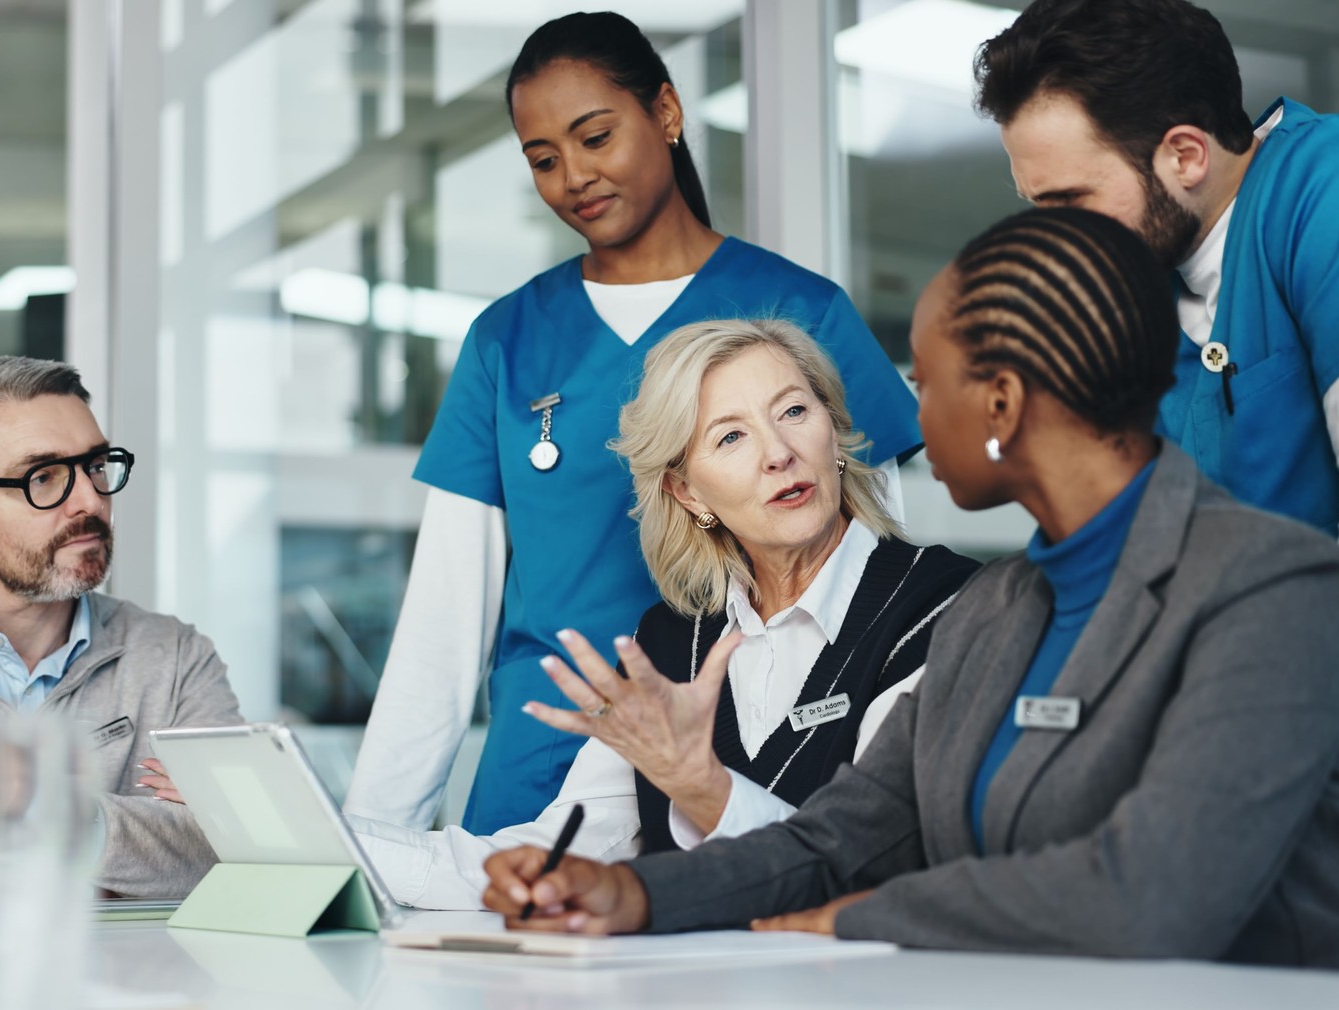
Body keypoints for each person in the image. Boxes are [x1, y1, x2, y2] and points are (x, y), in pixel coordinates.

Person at [480, 208, 1339, 969]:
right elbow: (840, 841)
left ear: (1001, 403)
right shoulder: (994, 608)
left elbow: (1156, 892)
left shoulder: (1273, 584)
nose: (906, 406)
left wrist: (867, 915)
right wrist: (626, 890)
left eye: (927, 373)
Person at [345, 11, 921, 837]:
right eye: (543, 159)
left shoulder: (802, 311)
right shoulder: (506, 340)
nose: (573, 175)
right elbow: (441, 624)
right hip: (543, 764)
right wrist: (367, 840)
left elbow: (877, 584)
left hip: (742, 759)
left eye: (595, 136)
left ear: (668, 113)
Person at [974, 0, 1339, 857]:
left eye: (1070, 199)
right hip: (1269, 795)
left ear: (1185, 154)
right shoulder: (1135, 295)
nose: (1053, 235)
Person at [345, 321, 975, 908]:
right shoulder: (671, 642)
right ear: (687, 491)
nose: (778, 452)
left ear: (833, 432)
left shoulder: (946, 609)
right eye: (730, 436)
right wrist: (335, 850)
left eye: (794, 411)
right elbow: (572, 845)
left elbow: (868, 873)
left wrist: (699, 783)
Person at [0, 356, 243, 898]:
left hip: (129, 980)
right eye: (43, 477)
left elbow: (229, 849)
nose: (90, 500)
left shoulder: (175, 657)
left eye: (96, 466)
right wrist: (129, 835)